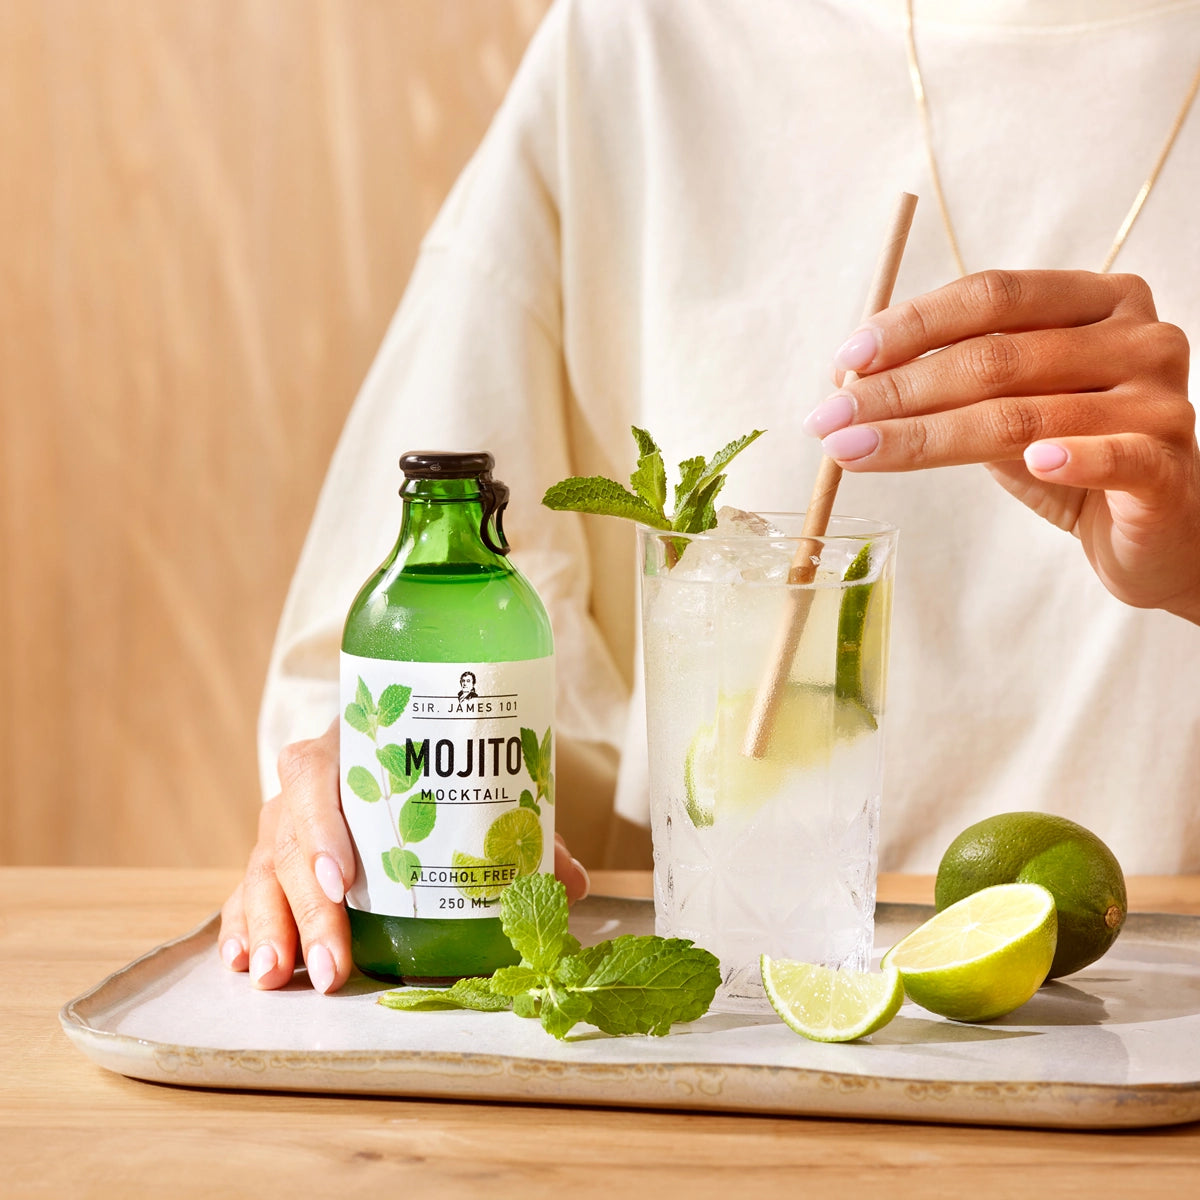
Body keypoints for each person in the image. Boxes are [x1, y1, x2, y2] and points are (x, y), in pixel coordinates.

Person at [219, 0, 1200, 995]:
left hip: (1147, 1013)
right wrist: (374, 797)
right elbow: (377, 641)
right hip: (718, 1010)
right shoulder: (640, 40)